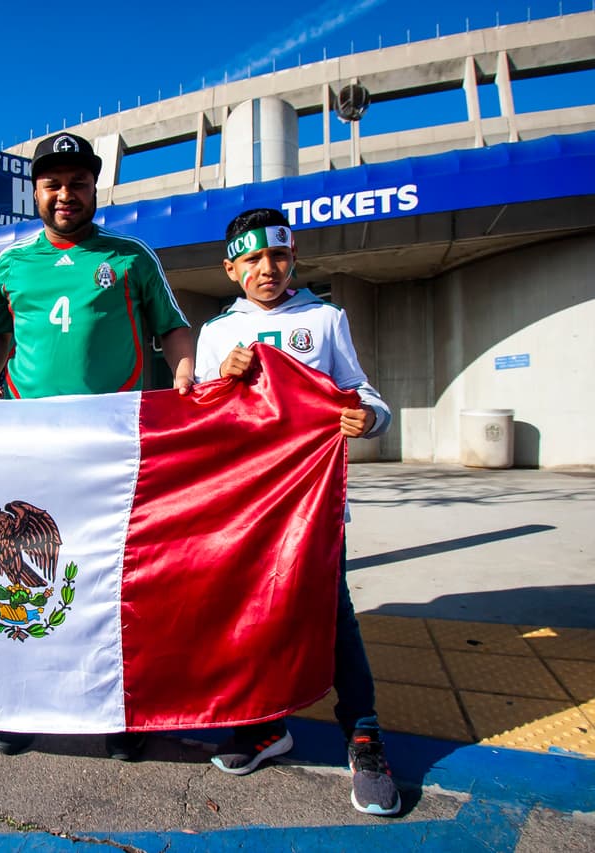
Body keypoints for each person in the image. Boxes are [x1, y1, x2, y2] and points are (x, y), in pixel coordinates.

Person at [0, 131, 196, 761]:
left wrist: (181, 375)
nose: (66, 194)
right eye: (53, 184)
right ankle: (23, 702)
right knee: (29, 572)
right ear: (36, 192)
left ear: (95, 188)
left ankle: (115, 708)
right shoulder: (11, 267)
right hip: (31, 443)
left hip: (113, 444)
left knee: (110, 578)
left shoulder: (130, 257)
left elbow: (172, 329)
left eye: (78, 183)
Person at [194, 207, 400, 817]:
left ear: (293, 259)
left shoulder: (325, 318)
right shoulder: (215, 334)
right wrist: (222, 383)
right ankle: (264, 726)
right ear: (231, 268)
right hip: (244, 508)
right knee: (252, 618)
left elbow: (365, 394)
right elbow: (203, 417)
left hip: (312, 505)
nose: (267, 269)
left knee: (333, 616)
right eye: (253, 259)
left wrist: (370, 418)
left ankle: (363, 736)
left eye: (278, 257)